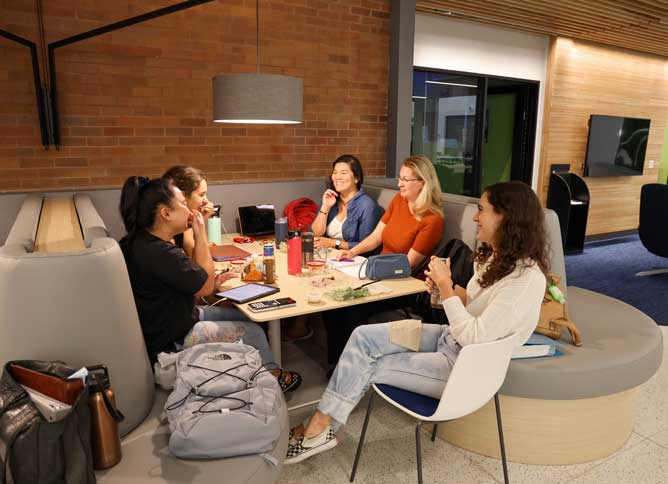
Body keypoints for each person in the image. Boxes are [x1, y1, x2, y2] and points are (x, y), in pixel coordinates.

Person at [285, 181, 549, 464]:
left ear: (505, 217)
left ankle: (319, 429)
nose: (475, 217)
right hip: (450, 339)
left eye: (482, 210)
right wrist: (441, 288)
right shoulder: (499, 259)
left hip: (463, 368)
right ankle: (323, 426)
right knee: (363, 336)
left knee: (369, 364)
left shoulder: (525, 279)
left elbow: (474, 336)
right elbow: (471, 302)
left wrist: (447, 287)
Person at [119, 176, 301, 392]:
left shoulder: (140, 241)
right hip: (173, 339)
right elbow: (204, 286)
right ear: (165, 214)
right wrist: (199, 231)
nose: (189, 210)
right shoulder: (161, 253)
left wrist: (211, 283)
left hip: (174, 320)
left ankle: (258, 371)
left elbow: (191, 283)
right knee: (254, 331)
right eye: (184, 205)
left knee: (246, 314)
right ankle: (273, 380)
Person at [323, 155, 444, 364]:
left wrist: (367, 276)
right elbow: (377, 236)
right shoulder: (399, 201)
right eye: (400, 178)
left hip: (403, 285)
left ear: (423, 182)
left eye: (406, 180)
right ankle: (337, 362)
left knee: (352, 307)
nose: (400, 184)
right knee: (331, 302)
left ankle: (353, 363)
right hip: (377, 272)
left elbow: (407, 265)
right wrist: (353, 252)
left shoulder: (432, 220)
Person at [311, 155, 383, 253]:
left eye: (343, 173)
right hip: (327, 255)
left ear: (356, 178)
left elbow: (366, 246)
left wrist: (333, 243)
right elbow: (316, 233)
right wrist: (325, 206)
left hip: (354, 259)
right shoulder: (332, 198)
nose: (337, 177)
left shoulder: (367, 206)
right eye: (335, 172)